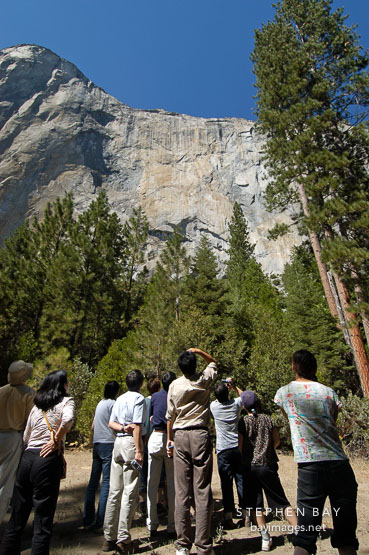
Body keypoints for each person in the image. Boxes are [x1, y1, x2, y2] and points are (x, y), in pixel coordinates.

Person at [274, 349, 359, 555]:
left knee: (305, 535)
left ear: (294, 367)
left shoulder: (284, 392)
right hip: (339, 463)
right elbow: (333, 420)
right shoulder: (329, 392)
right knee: (346, 536)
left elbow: (289, 418)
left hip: (310, 466)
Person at [0, 369, 75, 555]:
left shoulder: (37, 405)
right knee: (43, 519)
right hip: (46, 460)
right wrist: (56, 439)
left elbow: (26, 436)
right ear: (62, 385)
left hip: (28, 457)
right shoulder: (66, 401)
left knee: (17, 515)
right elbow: (68, 419)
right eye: (67, 382)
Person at [166, 348, 217, 555]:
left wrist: (169, 440)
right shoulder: (204, 380)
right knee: (202, 491)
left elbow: (170, 416)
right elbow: (214, 362)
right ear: (196, 365)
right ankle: (203, 546)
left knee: (182, 492)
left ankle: (182, 546)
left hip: (180, 436)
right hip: (200, 435)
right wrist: (198, 351)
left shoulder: (174, 385)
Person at [238, 390, 297, 552]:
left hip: (251, 468)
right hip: (268, 465)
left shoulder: (242, 422)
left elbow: (240, 446)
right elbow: (276, 441)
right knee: (282, 502)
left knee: (257, 506)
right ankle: (300, 532)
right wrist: (267, 451)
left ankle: (265, 538)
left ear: (244, 406)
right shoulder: (268, 420)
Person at [102, 369, 146, 555]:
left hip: (117, 443)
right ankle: (123, 538)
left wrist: (121, 427)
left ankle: (108, 536)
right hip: (129, 444)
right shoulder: (139, 399)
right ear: (141, 383)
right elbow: (137, 426)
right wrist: (138, 450)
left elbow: (111, 423)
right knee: (130, 491)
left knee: (114, 490)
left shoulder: (119, 399)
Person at [0, 360, 35, 524]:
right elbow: (30, 420)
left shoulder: (1, 391)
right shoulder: (28, 393)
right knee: (5, 483)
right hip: (13, 437)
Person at [83, 380, 120, 530]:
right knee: (106, 482)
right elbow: (116, 423)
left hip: (97, 444)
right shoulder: (113, 404)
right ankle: (101, 520)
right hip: (108, 444)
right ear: (116, 392)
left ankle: (87, 518)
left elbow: (93, 426)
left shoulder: (100, 403)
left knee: (93, 482)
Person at [210, 378, 245, 529]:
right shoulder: (236, 404)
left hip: (223, 449)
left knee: (226, 483)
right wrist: (235, 386)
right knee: (241, 480)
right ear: (228, 392)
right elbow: (246, 397)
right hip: (237, 447)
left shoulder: (214, 407)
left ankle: (228, 516)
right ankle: (245, 514)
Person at [147, 371, 177, 538]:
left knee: (152, 483)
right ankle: (172, 525)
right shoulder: (175, 396)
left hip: (156, 437)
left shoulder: (155, 397)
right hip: (171, 439)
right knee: (172, 484)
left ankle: (152, 524)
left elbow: (151, 417)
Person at [138, 376, 161, 518]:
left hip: (143, 441)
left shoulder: (143, 402)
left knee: (143, 474)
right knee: (158, 474)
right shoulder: (157, 401)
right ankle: (159, 503)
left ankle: (142, 504)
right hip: (156, 439)